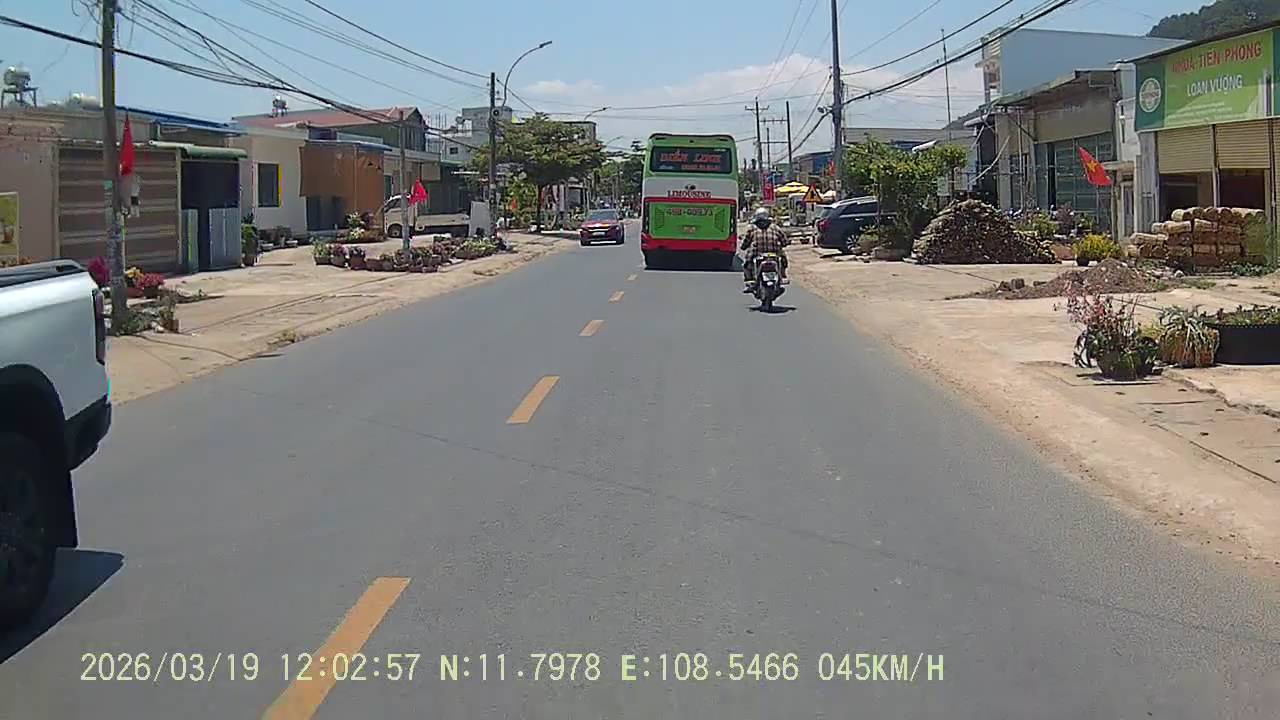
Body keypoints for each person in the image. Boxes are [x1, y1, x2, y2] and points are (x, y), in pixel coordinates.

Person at [740, 207, 789, 292]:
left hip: (757, 253)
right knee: (783, 260)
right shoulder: (775, 227)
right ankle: (783, 275)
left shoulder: (752, 228)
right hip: (774, 253)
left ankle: (750, 281)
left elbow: (745, 243)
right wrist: (783, 244)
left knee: (746, 265)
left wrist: (743, 247)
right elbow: (784, 241)